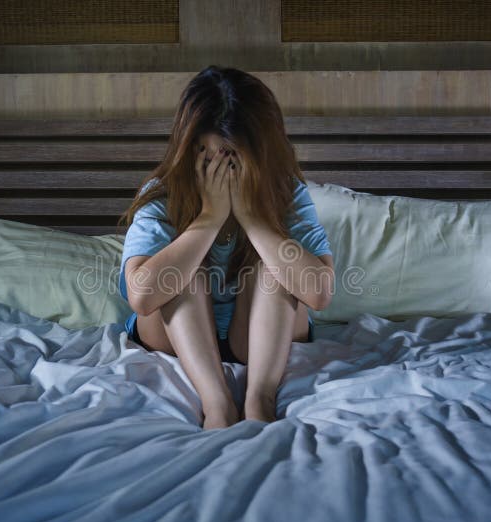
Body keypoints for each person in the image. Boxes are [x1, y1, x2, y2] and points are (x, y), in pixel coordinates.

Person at [117, 65, 334, 430]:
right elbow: (141, 296)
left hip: (258, 335)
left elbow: (320, 293)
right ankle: (216, 403)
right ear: (190, 150)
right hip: (173, 335)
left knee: (273, 268)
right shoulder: (165, 192)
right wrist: (209, 218)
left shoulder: (285, 191)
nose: (222, 170)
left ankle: (258, 397)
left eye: (233, 157)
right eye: (209, 156)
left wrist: (252, 217)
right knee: (178, 271)